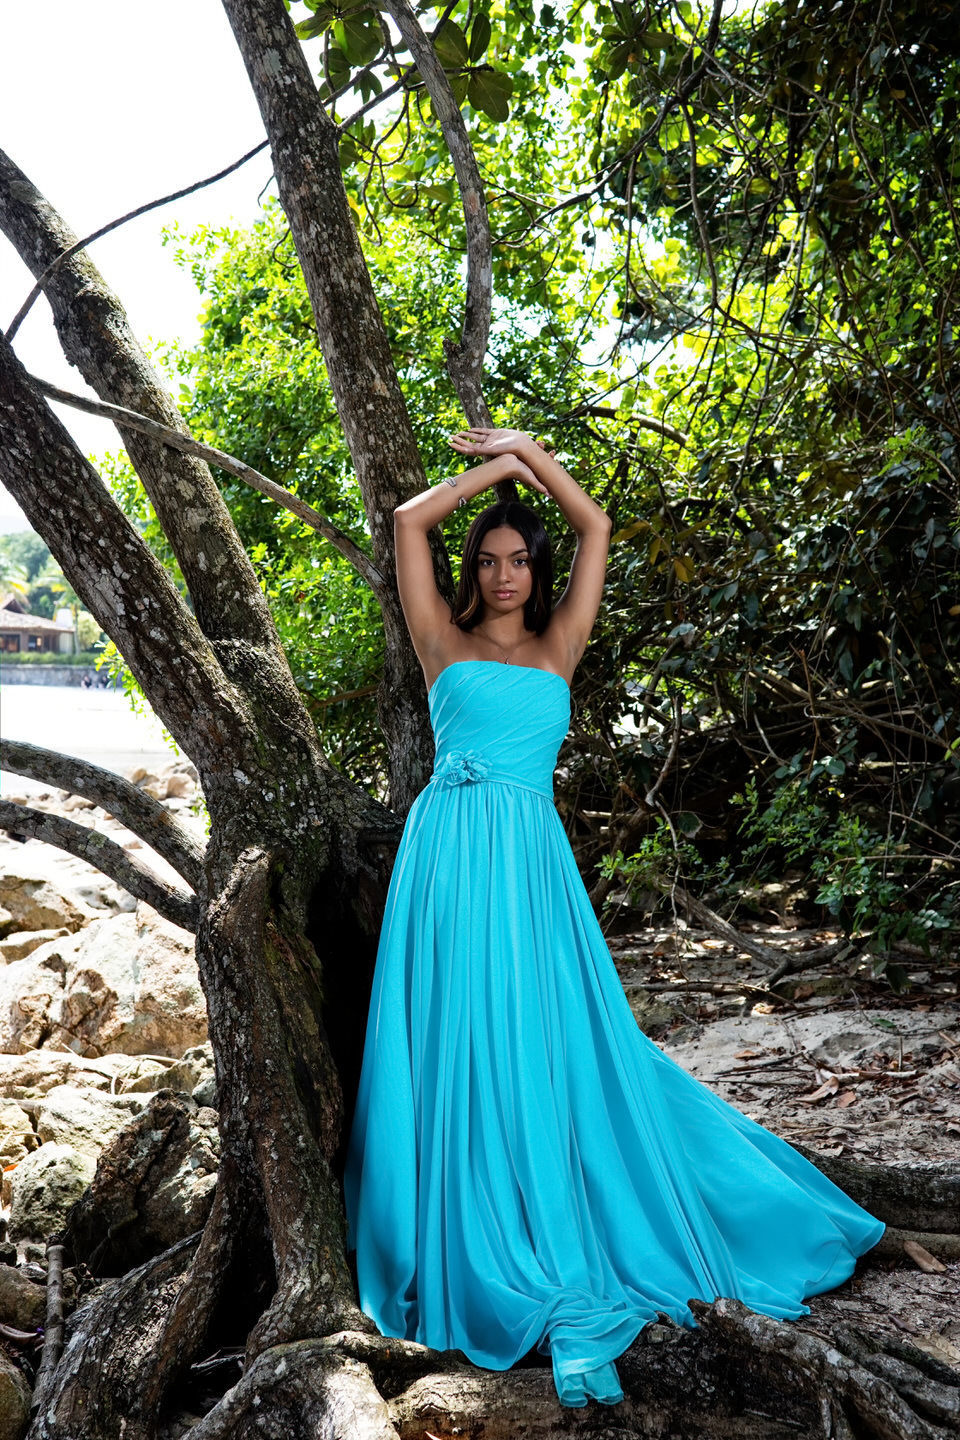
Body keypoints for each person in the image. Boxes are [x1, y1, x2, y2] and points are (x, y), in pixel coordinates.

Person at [344, 426, 885, 1408]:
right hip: (447, 868)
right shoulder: (442, 641)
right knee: (459, 1044)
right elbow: (406, 519)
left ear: (539, 572)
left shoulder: (560, 642)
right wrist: (494, 474)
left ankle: (585, 1241)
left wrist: (533, 452)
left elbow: (594, 522)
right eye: (491, 560)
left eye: (521, 560)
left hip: (532, 873)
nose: (505, 574)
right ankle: (482, 1231)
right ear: (473, 571)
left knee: (551, 1047)